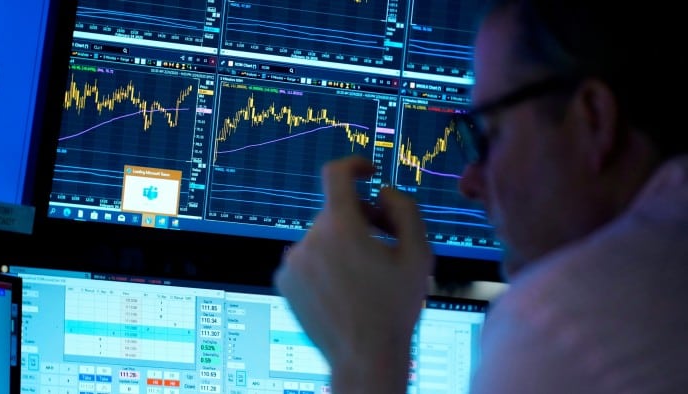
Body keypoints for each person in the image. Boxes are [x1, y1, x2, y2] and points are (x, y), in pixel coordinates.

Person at [273, 0, 688, 392]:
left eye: (488, 135)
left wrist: (366, 353)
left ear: (593, 118)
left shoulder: (563, 326)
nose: (468, 183)